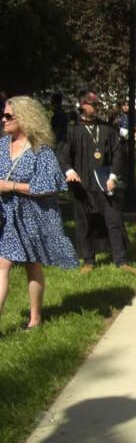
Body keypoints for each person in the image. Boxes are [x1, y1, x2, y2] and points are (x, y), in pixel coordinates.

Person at [0, 97, 78, 329]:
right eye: (3, 115)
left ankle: (35, 318)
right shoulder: (2, 146)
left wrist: (11, 186)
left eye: (8, 116)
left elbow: (48, 185)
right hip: (6, 217)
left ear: (24, 118)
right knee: (2, 264)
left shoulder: (41, 150)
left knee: (32, 266)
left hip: (33, 217)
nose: (3, 120)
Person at [57, 90, 134, 274]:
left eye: (98, 104)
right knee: (85, 222)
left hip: (105, 182)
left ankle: (120, 260)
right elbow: (63, 155)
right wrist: (69, 171)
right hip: (83, 184)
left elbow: (118, 154)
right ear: (82, 105)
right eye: (93, 104)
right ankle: (89, 260)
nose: (96, 107)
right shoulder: (72, 130)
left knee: (113, 220)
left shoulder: (107, 129)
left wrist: (113, 176)